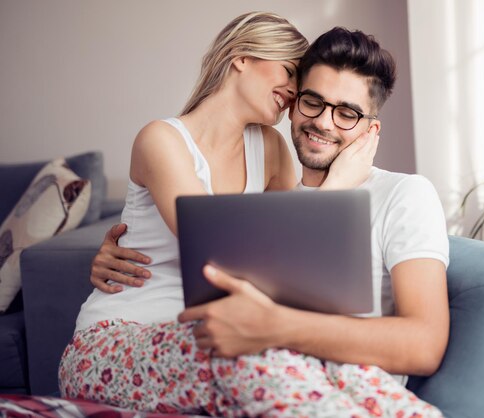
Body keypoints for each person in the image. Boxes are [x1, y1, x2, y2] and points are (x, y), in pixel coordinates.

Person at [61, 17, 448, 418]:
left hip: (218, 333)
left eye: (346, 113)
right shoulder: (162, 139)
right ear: (242, 57)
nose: (305, 105)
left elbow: (280, 270)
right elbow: (213, 257)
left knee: (318, 361)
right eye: (303, 92)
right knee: (257, 348)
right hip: (126, 334)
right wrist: (338, 189)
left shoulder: (270, 148)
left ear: (369, 129)